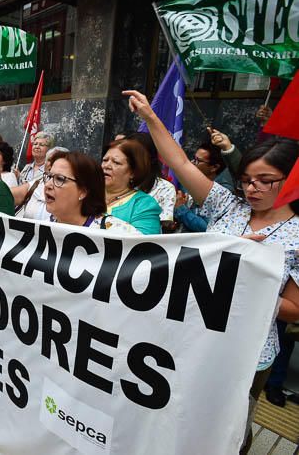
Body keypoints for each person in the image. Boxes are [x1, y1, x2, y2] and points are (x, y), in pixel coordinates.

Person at [125, 89, 299, 453]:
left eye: (265, 180)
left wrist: (251, 273)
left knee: (228, 428)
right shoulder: (228, 205)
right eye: (247, 179)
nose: (252, 188)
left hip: (247, 352)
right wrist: (152, 118)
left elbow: (295, 309)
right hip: (194, 335)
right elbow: (183, 166)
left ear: (291, 181)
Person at [44, 150, 139, 234]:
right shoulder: (39, 230)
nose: (47, 185)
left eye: (60, 179)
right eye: (49, 176)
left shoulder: (119, 234)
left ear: (83, 192)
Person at [117, 132, 176, 231]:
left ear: (149, 158)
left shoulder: (164, 188)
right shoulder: (114, 180)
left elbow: (162, 226)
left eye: (134, 156)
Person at [101, 138, 161, 234]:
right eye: (105, 160)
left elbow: (145, 245)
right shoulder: (85, 194)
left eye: (116, 162)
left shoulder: (143, 204)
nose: (106, 166)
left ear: (133, 172)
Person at [174, 139, 232, 233]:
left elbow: (207, 228)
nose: (192, 163)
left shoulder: (223, 192)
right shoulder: (187, 180)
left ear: (214, 167)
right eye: (193, 158)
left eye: (198, 161)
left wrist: (181, 209)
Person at [13, 147, 68, 221]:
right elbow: (7, 195)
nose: (52, 164)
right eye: (49, 160)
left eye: (57, 160)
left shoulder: (70, 191)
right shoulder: (35, 185)